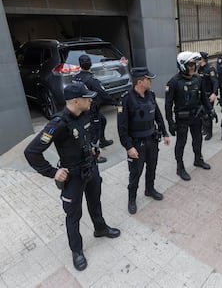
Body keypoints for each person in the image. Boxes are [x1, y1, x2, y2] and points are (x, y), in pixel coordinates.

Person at [24, 83, 120, 271]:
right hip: (73, 177)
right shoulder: (57, 123)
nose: (91, 100)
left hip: (91, 169)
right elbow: (31, 152)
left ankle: (100, 228)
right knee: (73, 215)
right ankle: (76, 251)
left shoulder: (85, 114)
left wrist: (93, 149)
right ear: (76, 101)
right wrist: (53, 172)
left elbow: (84, 137)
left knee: (95, 202)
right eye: (87, 97)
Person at [117, 67, 171, 214]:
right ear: (140, 82)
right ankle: (132, 199)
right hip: (136, 144)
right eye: (149, 79)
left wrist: (165, 133)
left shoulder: (151, 95)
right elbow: (122, 129)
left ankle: (150, 189)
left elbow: (158, 116)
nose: (151, 81)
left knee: (152, 167)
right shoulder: (126, 99)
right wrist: (129, 147)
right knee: (135, 173)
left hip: (152, 140)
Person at [165, 51, 215, 181]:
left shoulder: (198, 79)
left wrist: (211, 110)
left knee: (198, 139)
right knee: (181, 143)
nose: (193, 67)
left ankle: (198, 159)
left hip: (196, 116)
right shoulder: (173, 82)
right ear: (182, 65)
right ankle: (180, 168)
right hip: (182, 119)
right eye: (190, 65)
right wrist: (170, 122)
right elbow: (168, 105)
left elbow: (203, 97)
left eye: (194, 64)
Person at [73, 54, 119, 163]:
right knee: (94, 131)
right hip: (91, 109)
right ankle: (95, 155)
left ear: (80, 65)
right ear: (90, 65)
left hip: (81, 109)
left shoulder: (76, 78)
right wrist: (115, 103)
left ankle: (103, 141)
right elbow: (103, 94)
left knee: (102, 120)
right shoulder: (91, 79)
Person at [198, 52, 218, 141]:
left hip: (209, 95)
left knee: (209, 113)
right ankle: (205, 129)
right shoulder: (200, 69)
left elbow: (215, 82)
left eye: (199, 58)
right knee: (202, 113)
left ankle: (209, 132)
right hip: (201, 95)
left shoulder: (210, 69)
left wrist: (214, 93)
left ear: (202, 59)